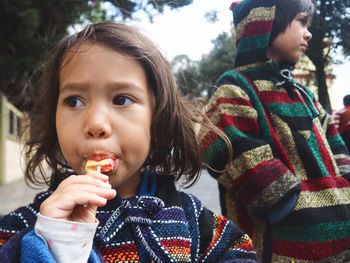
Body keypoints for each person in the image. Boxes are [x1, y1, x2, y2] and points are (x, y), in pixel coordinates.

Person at [0, 21, 258, 262]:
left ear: (156, 120)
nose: (96, 124)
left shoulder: (194, 222)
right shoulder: (26, 228)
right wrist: (51, 242)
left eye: (121, 99)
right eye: (74, 101)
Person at [200, 0, 350, 262]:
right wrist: (283, 205)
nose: (308, 33)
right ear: (266, 22)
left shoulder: (306, 95)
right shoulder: (235, 88)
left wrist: (345, 189)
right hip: (276, 248)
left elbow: (335, 142)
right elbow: (216, 143)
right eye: (301, 21)